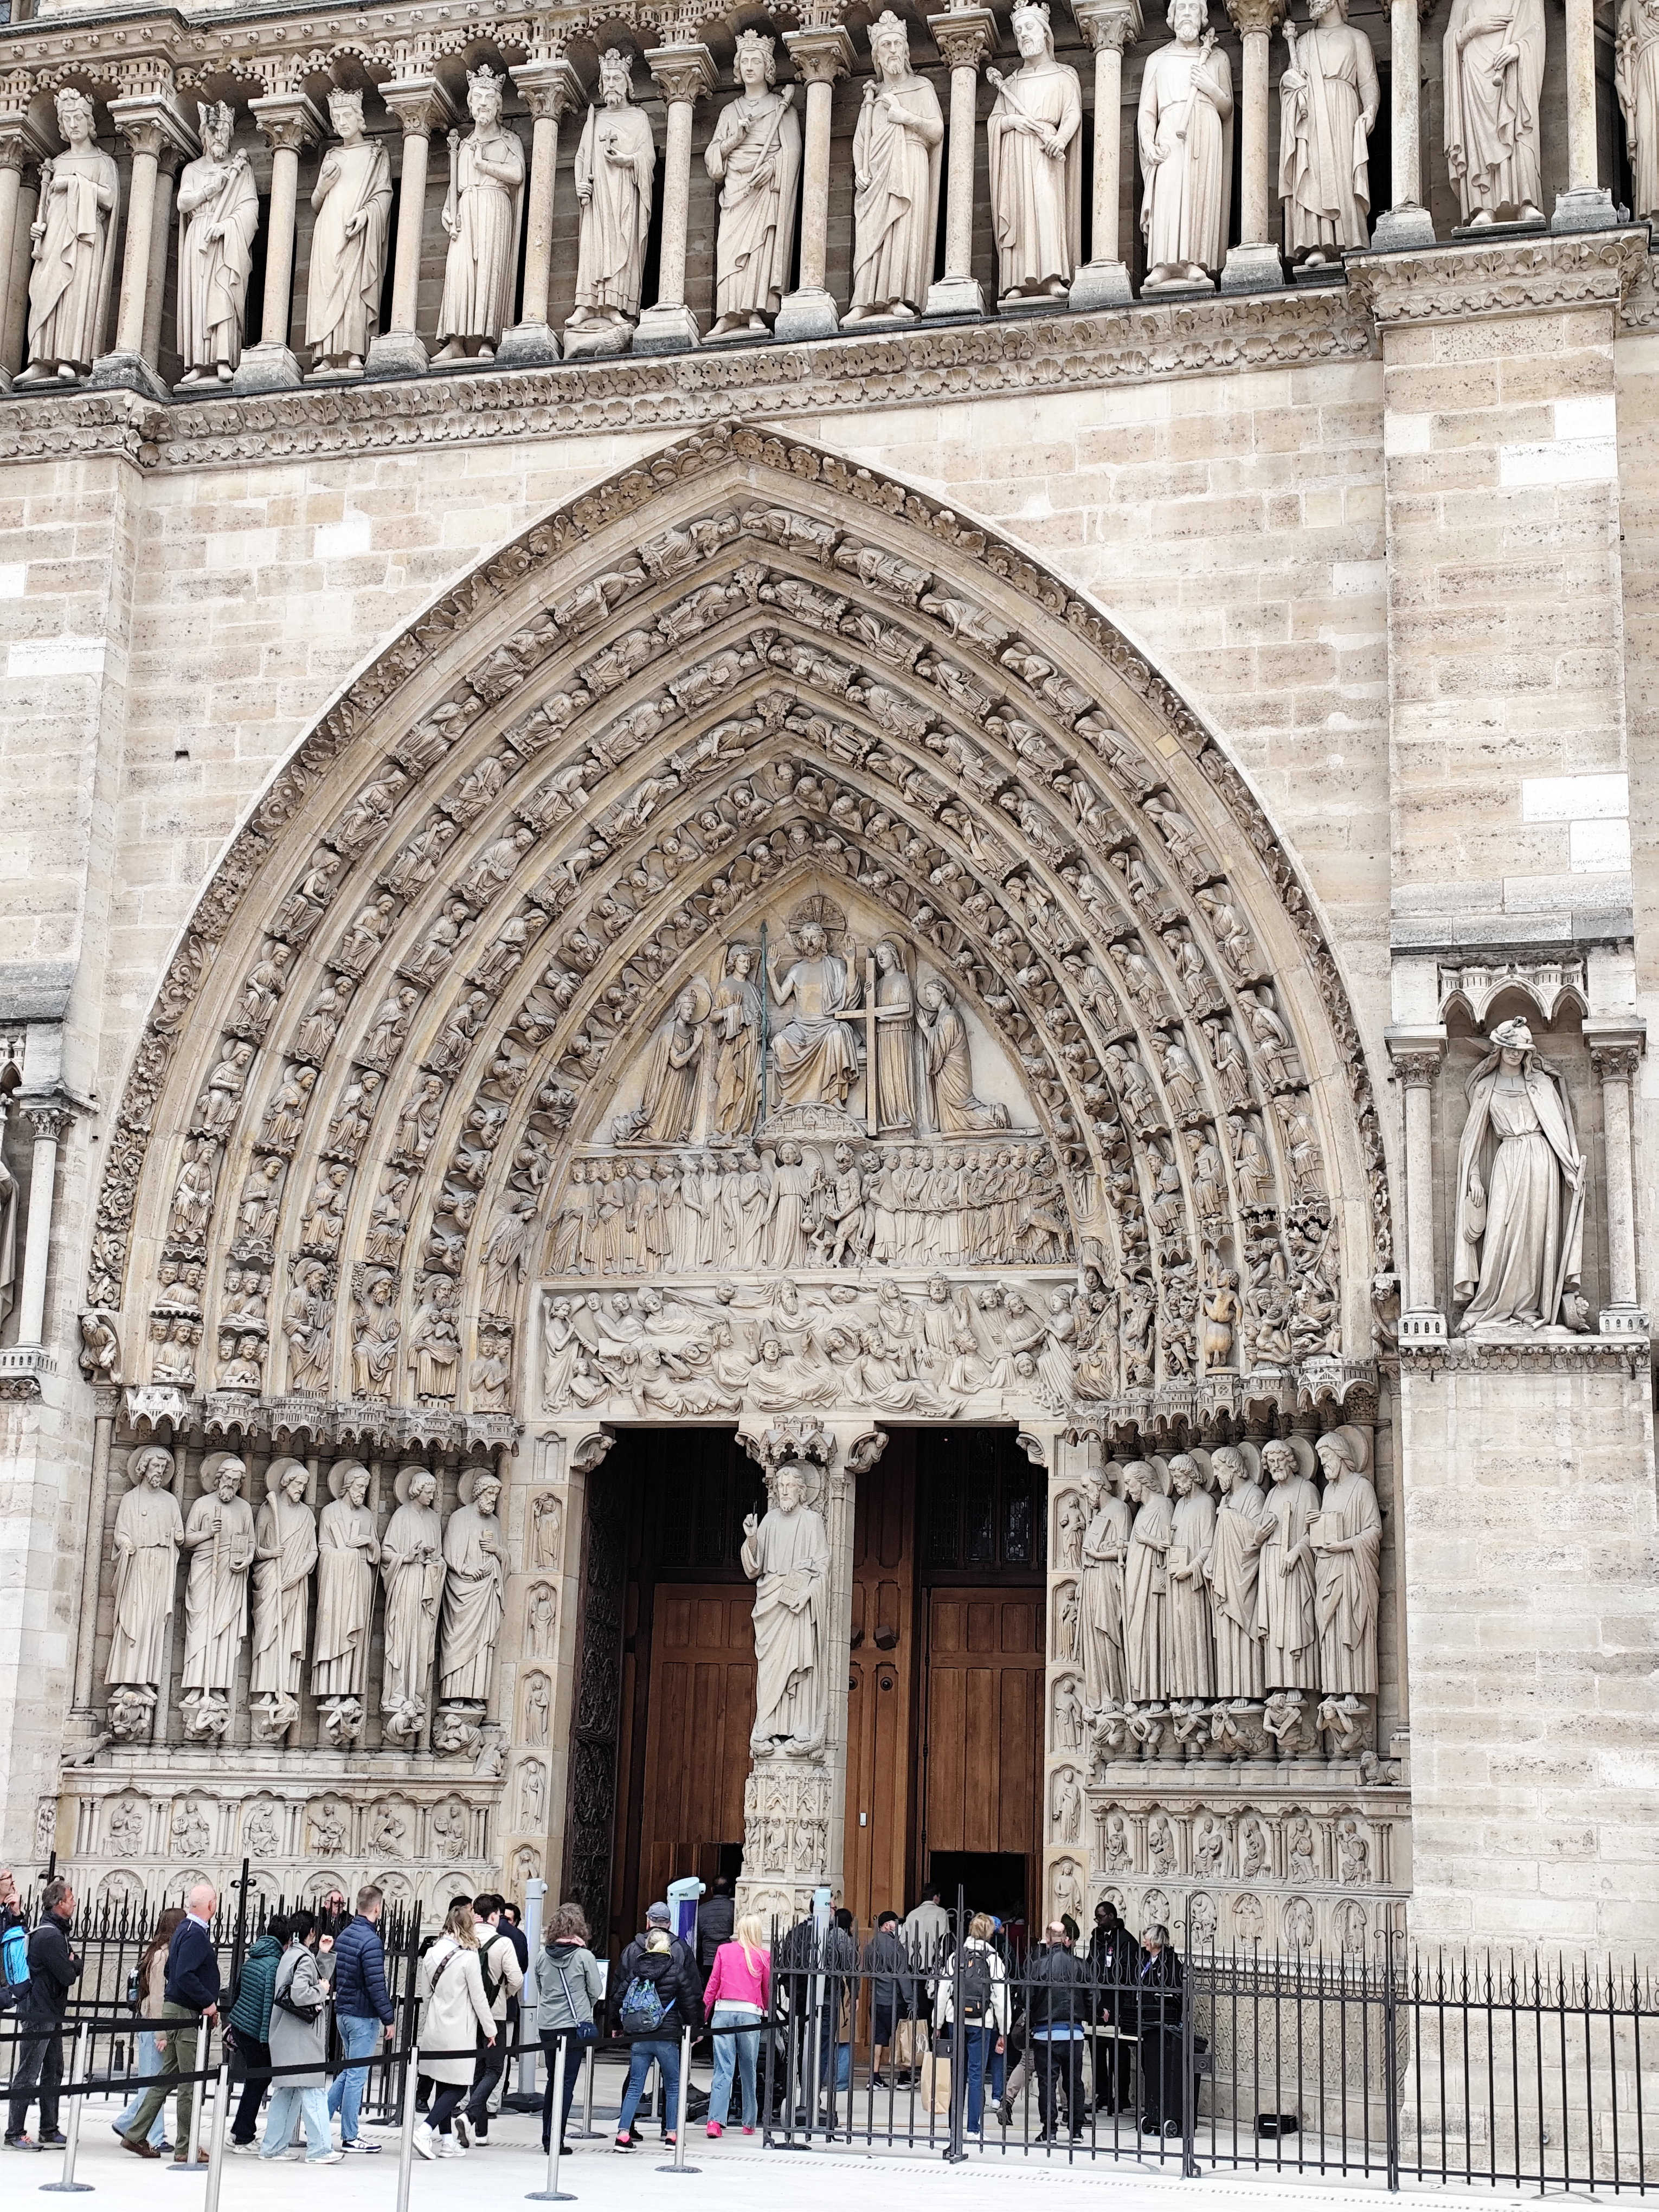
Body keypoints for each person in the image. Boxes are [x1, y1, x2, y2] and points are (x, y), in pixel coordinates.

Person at [120, 1878, 220, 2163]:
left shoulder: (183, 1931)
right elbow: (184, 1975)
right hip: (186, 2013)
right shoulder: (195, 1934)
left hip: (177, 2009)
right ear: (211, 1905)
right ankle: (185, 2146)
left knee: (166, 2078)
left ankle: (136, 2134)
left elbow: (171, 1974)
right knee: (189, 2082)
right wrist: (208, 2002)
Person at [614, 1903, 703, 2148]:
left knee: (635, 2084)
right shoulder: (678, 1963)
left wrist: (617, 2022)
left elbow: (619, 1994)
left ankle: (624, 2133)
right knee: (673, 2085)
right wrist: (695, 2028)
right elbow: (691, 1999)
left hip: (640, 2035)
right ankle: (671, 2134)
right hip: (668, 2034)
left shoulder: (635, 1962)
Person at [414, 1901, 496, 2159]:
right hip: (459, 2032)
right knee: (459, 2087)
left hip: (435, 2027)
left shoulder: (431, 1953)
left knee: (443, 2084)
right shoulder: (468, 1958)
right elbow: (479, 1998)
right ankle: (425, 2130)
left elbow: (427, 1996)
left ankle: (448, 2141)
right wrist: (491, 2029)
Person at [259, 1911, 342, 2164]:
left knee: (287, 2093)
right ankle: (320, 2149)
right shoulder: (303, 1958)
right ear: (312, 1933)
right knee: (313, 2091)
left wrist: (324, 1956)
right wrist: (322, 1991)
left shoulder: (291, 1955)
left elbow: (309, 1977)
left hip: (286, 2034)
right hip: (301, 2037)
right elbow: (301, 1993)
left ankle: (273, 2147)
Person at [6, 1877, 80, 2151]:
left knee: (54, 2070)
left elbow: (71, 1966)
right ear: (60, 1904)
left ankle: (49, 2129)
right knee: (29, 2071)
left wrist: (73, 1963)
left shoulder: (56, 1933)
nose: (74, 1903)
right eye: (71, 1899)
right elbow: (68, 1975)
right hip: (39, 2011)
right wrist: (73, 1964)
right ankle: (14, 2132)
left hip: (51, 2011)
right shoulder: (49, 1936)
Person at [326, 1885, 395, 2153]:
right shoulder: (371, 1941)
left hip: (344, 2011)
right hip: (362, 2016)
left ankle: (320, 2120)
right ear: (378, 1908)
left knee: (349, 2071)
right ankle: (350, 2136)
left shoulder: (344, 1935)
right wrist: (388, 2018)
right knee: (356, 2075)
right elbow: (377, 1984)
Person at [932, 1912, 1008, 2139]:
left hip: (956, 2019)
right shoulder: (993, 1959)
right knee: (976, 2075)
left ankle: (954, 2127)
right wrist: (1003, 2030)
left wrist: (937, 2023)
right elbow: (1000, 1997)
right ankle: (974, 2129)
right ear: (990, 1933)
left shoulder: (956, 1956)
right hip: (982, 2022)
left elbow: (943, 1991)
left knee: (957, 2074)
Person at [115, 1907, 184, 2153]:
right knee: (154, 2081)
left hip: (155, 2023)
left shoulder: (161, 1953)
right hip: (154, 2024)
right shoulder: (162, 1956)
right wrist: (161, 2032)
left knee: (156, 2081)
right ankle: (154, 2136)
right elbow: (157, 1997)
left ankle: (127, 2123)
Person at [456, 1893, 522, 2146]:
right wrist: (505, 1994)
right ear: (494, 1915)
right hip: (495, 2013)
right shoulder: (503, 1943)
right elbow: (516, 1978)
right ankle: (470, 2116)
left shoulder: (465, 1940)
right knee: (494, 2069)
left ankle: (480, 2134)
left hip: (470, 2012)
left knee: (477, 2070)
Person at [537, 1902, 603, 2157]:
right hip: (573, 2026)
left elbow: (541, 1987)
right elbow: (596, 1990)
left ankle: (547, 2136)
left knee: (553, 2080)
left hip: (547, 2025)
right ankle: (557, 2138)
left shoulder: (542, 1956)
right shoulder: (584, 1957)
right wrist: (584, 2006)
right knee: (566, 2084)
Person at [702, 1913, 770, 2137]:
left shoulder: (724, 1951)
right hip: (749, 2014)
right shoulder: (763, 1956)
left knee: (723, 2068)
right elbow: (767, 1989)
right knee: (749, 2069)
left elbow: (713, 1983)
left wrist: (703, 2014)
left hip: (723, 2012)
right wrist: (768, 2010)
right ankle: (749, 2121)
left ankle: (715, 2121)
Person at [1024, 1920, 1090, 2144]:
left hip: (1046, 2033)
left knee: (1047, 2083)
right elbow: (1092, 1998)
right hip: (1073, 2033)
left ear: (1048, 1939)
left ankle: (1050, 2130)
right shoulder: (1080, 1965)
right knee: (1074, 2082)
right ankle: (1077, 2130)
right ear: (1066, 1939)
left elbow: (1027, 1998)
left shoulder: (1038, 1966)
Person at [225, 1912, 283, 2152]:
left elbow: (238, 1992)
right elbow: (269, 2005)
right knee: (258, 2081)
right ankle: (243, 2135)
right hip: (255, 2031)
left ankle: (240, 2130)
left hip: (242, 2026)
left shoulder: (254, 1957)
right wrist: (266, 2040)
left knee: (255, 2080)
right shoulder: (274, 1965)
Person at [1088, 1900, 1139, 2114]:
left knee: (1119, 2051)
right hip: (1099, 2000)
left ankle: (1122, 2097)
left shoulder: (1126, 1941)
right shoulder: (1097, 1938)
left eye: (1100, 1917)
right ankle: (1103, 2094)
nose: (1097, 1921)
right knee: (1097, 2048)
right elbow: (1091, 1963)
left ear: (1111, 1916)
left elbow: (1130, 1972)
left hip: (1118, 2001)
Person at [1136, 1924, 1185, 2138]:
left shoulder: (1170, 1963)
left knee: (1162, 2068)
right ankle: (1153, 2111)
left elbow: (1173, 1993)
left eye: (1146, 1937)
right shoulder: (1146, 1960)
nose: (1144, 1941)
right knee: (1148, 2066)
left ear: (1156, 1940)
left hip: (1162, 2024)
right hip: (1147, 2022)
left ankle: (1164, 2111)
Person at [863, 1911, 914, 2088]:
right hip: (895, 2000)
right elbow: (902, 1975)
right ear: (887, 1925)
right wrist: (911, 2001)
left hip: (877, 2000)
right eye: (895, 1923)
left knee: (878, 2039)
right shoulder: (896, 1946)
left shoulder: (870, 1946)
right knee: (901, 2038)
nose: (898, 1926)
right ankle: (903, 2077)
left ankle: (874, 2077)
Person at [901, 1886, 950, 1969]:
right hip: (933, 1963)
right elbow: (944, 1938)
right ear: (935, 1897)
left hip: (914, 1964)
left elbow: (903, 1940)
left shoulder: (912, 1914)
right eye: (939, 1897)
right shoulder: (941, 1912)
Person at [697, 1877, 735, 1980]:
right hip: (728, 1960)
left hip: (708, 1961)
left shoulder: (701, 1909)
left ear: (712, 1890)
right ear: (730, 1891)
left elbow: (698, 1938)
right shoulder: (735, 1909)